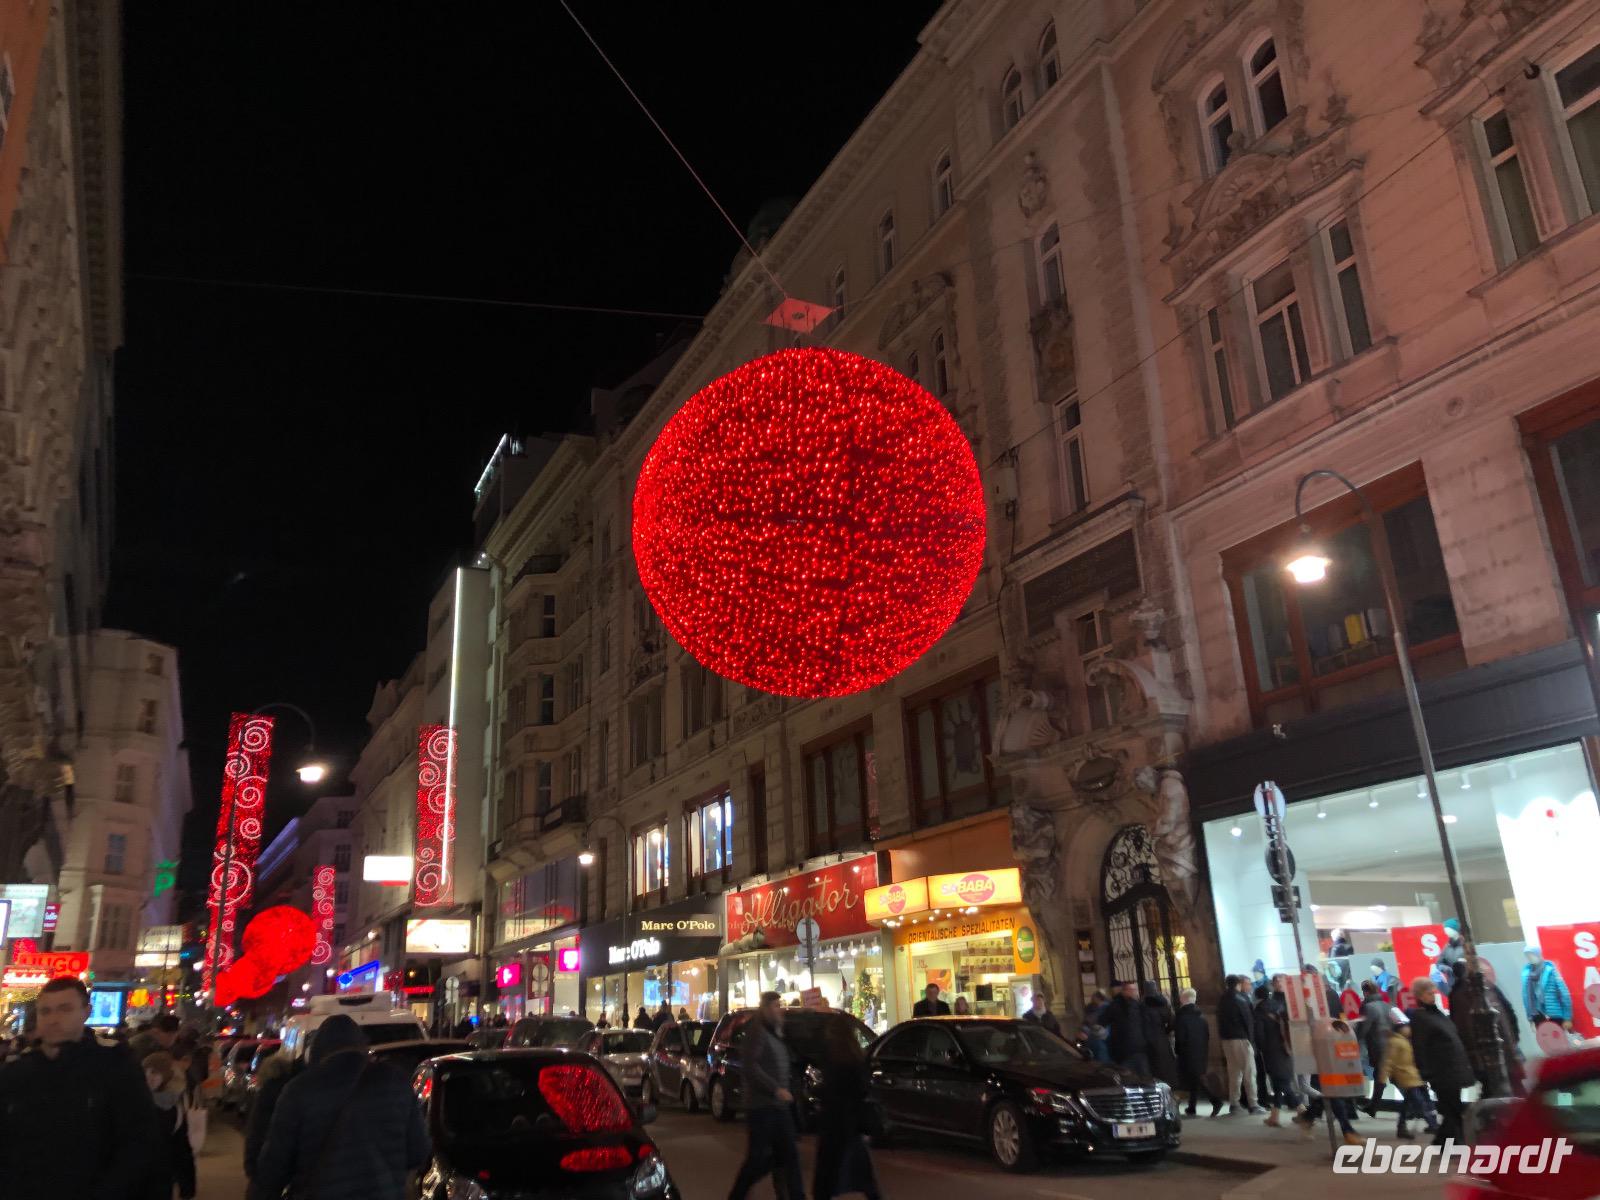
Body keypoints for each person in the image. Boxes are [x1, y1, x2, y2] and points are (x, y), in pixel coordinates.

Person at [0, 976, 159, 1198]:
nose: (53, 1019)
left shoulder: (115, 1067)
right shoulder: (16, 1072)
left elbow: (139, 1143)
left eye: (64, 1009)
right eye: (45, 1011)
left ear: (86, 1012)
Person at [249, 1015, 429, 1200]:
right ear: (361, 1045)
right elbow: (418, 1151)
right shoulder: (395, 1081)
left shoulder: (299, 1090)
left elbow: (273, 1169)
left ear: (318, 1050)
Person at [726, 992, 805, 1200]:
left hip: (778, 1107)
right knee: (758, 1159)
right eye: (776, 1006)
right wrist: (775, 1089)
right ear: (766, 1008)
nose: (780, 1010)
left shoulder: (775, 1031)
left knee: (789, 1155)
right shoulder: (757, 1032)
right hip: (762, 1108)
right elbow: (751, 1067)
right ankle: (737, 1195)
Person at [812, 1013, 881, 1200]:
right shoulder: (855, 1055)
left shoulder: (831, 1055)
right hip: (851, 1122)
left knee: (827, 1174)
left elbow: (829, 1088)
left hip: (834, 1122)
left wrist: (819, 1095)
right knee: (863, 1174)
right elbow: (861, 1088)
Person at [1407, 978, 1473, 1145]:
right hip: (1442, 1071)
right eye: (1429, 993)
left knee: (1453, 1108)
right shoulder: (1421, 1018)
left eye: (1433, 992)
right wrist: (1425, 1072)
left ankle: (1443, 1140)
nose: (1433, 995)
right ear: (1420, 996)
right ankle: (1453, 1143)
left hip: (1452, 1068)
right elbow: (1420, 1046)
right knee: (1452, 1109)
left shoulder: (1436, 1014)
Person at [1372, 1012, 1438, 1139]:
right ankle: (1432, 1124)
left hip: (1413, 1076)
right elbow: (1388, 1061)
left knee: (1407, 1104)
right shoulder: (1395, 1042)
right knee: (1420, 1102)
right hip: (1405, 1076)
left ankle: (1402, 1126)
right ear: (1401, 1029)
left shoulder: (1405, 1041)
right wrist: (1382, 1078)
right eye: (1407, 1027)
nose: (1410, 1029)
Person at [143, 1050, 197, 1200]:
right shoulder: (136, 1100)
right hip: (136, 1175)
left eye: (154, 1072)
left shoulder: (174, 1105)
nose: (149, 1076)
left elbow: (181, 1147)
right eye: (145, 1071)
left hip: (162, 1176)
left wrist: (187, 1185)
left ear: (167, 1075)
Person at [245, 1040, 303, 1180]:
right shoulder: (295, 1090)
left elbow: (257, 1130)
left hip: (269, 1155)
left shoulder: (266, 1093)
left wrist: (251, 1164)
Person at [1255, 979, 1298, 1126]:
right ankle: (1274, 1117)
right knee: (1280, 1083)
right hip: (1286, 1048)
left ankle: (1304, 1112)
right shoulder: (1280, 1005)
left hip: (1272, 1051)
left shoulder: (1259, 1011)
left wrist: (1260, 1048)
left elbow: (1260, 1034)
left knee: (1281, 1083)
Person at [1216, 974, 1260, 1115]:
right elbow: (1248, 1021)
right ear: (1238, 984)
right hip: (1241, 1038)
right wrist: (1251, 1041)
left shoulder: (1222, 999)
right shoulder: (1241, 999)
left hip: (1226, 1039)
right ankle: (1253, 1104)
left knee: (1234, 1072)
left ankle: (1234, 1103)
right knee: (1249, 1072)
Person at [1173, 988, 1221, 1117]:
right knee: (1195, 1078)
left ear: (1183, 999)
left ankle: (1215, 1100)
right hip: (1201, 1051)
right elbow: (1207, 1035)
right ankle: (1192, 1107)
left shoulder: (1181, 1017)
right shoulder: (1201, 1016)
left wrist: (1178, 1050)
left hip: (1187, 1052)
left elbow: (1180, 1038)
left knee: (1196, 1078)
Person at [1104, 981, 1161, 1077]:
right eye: (1131, 990)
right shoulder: (1115, 1006)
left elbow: (1148, 1025)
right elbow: (1102, 1023)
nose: (1134, 992)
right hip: (1124, 1053)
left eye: (1135, 990)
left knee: (1145, 1078)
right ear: (1124, 991)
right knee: (1127, 1079)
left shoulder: (1141, 1006)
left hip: (1141, 1050)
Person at [1521, 945, 1573, 1028]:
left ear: (1539, 954)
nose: (1530, 958)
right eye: (1527, 955)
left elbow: (1564, 993)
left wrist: (1567, 1017)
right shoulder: (1526, 974)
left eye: (1532, 954)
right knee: (1544, 1040)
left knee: (1559, 1040)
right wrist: (1530, 1019)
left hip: (1554, 1015)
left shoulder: (1551, 971)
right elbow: (1526, 997)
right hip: (1537, 1016)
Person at [1082, 991, 1110, 1062]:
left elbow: (1092, 1022)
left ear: (1098, 998)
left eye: (1093, 997)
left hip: (1100, 1039)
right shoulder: (1093, 1008)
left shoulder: (1104, 1009)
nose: (1092, 999)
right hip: (1096, 1039)